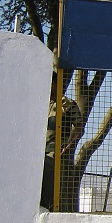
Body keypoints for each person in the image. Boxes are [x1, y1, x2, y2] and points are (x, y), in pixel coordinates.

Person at [41, 71, 83, 212]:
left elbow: (79, 128)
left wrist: (67, 146)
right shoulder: (40, 103)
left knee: (49, 188)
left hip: (53, 152)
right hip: (36, 151)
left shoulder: (66, 104)